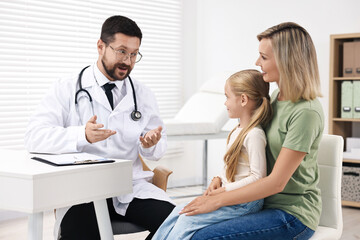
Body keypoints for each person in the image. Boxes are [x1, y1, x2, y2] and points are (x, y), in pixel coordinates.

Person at [24, 15, 175, 240]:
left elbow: (158, 148)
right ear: (100, 46)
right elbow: (34, 137)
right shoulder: (66, 88)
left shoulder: (142, 94)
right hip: (82, 191)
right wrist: (81, 135)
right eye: (121, 51)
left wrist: (150, 144)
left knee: (180, 226)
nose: (128, 61)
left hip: (130, 187)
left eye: (134, 54)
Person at [184, 22, 324, 240]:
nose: (257, 63)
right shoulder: (275, 98)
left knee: (201, 236)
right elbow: (246, 153)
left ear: (287, 60)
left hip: (291, 214)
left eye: (264, 57)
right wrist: (220, 180)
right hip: (256, 204)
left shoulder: (306, 112)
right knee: (184, 224)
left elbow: (276, 182)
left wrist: (217, 200)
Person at [152, 69, 272, 240]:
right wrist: (218, 178)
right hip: (230, 196)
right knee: (178, 212)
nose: (225, 103)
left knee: (188, 220)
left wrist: (224, 190)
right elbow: (232, 167)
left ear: (243, 99)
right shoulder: (237, 130)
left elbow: (258, 177)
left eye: (227, 97)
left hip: (245, 203)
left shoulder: (254, 135)